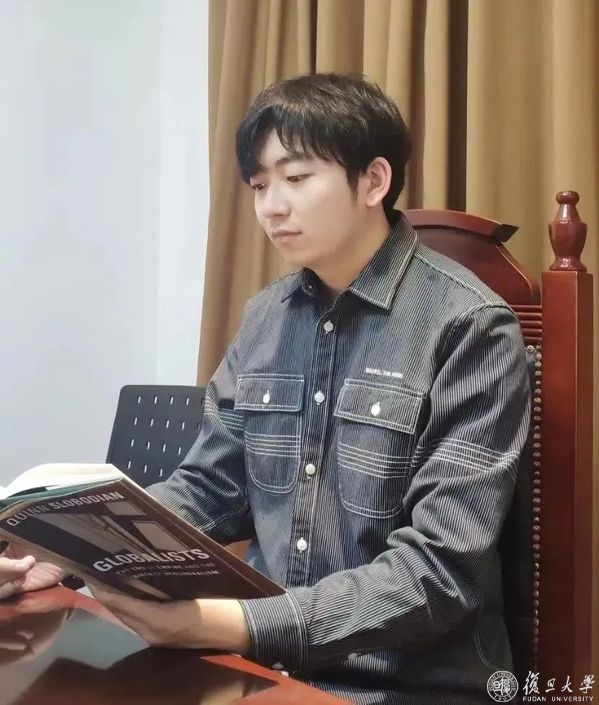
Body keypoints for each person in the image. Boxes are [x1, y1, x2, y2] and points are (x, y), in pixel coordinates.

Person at [3, 74, 530, 704]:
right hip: (259, 668)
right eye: (258, 185)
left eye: (296, 178)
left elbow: (438, 573)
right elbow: (209, 488)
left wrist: (230, 624)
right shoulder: (267, 317)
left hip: (406, 685)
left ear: (373, 181)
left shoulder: (469, 326)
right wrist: (64, 553)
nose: (271, 207)